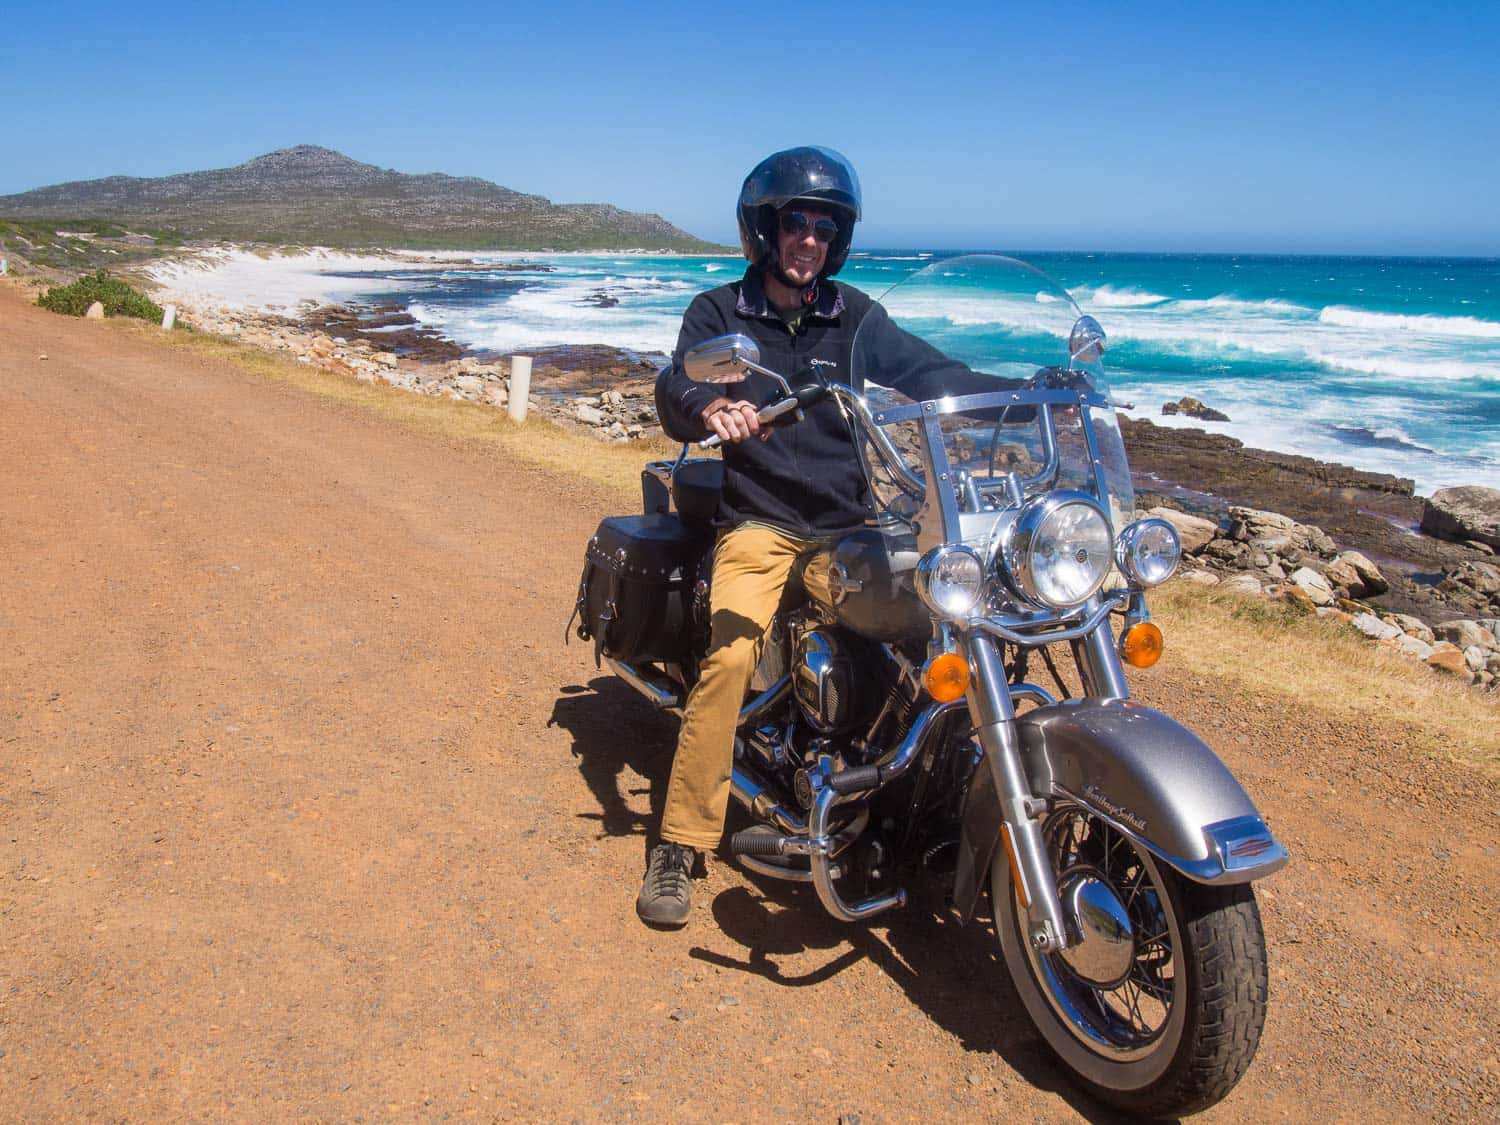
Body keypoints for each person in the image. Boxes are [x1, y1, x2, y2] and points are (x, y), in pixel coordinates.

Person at [639, 146, 1005, 926]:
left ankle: (921, 799)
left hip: (850, 526)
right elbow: (677, 385)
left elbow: (925, 370)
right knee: (732, 651)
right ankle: (680, 841)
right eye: (795, 222)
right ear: (764, 230)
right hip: (762, 524)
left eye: (825, 225)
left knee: (945, 620)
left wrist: (1015, 391)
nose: (809, 237)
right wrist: (708, 408)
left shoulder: (857, 316)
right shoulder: (719, 313)